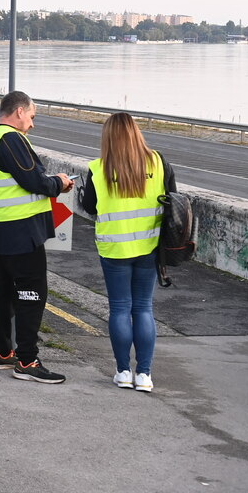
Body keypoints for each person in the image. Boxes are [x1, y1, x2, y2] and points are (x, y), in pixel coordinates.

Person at [0, 90, 74, 384]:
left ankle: (2, 353)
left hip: (1, 227)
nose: (32, 124)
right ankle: (28, 361)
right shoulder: (11, 138)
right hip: (22, 229)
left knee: (4, 291)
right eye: (31, 116)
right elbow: (33, 180)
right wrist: (59, 183)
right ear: (19, 111)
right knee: (32, 293)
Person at [78, 112, 175, 393]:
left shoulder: (99, 168)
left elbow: (91, 207)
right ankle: (144, 374)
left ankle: (122, 371)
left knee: (120, 307)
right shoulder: (158, 162)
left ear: (107, 137)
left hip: (114, 248)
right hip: (148, 247)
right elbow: (174, 201)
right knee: (143, 308)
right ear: (136, 133)